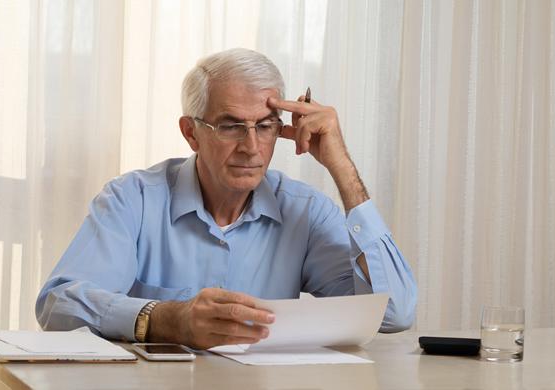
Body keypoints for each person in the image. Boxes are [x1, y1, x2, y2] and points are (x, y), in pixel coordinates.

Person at [36, 48, 417, 349]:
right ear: (191, 132)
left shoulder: (305, 211)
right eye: (231, 126)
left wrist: (341, 166)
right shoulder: (132, 199)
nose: (251, 147)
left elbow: (394, 314)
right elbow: (58, 305)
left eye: (265, 126)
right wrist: (167, 318)